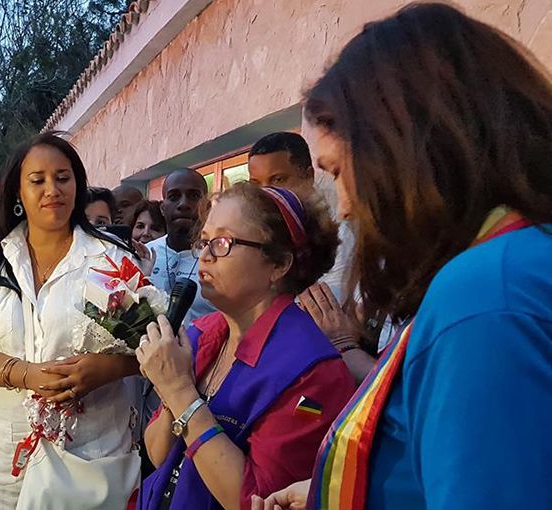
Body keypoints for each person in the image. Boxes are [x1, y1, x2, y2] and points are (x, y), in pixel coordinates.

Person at [262, 4, 552, 509]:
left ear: (398, 154)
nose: (346, 208)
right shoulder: (513, 263)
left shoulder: (483, 296)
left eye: (338, 171)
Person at [0, 132, 140, 509]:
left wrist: (107, 369)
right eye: (37, 180)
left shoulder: (104, 263)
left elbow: (151, 347)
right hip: (2, 467)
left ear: (77, 185)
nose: (52, 189)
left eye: (63, 178)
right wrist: (26, 374)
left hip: (86, 463)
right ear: (18, 192)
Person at [137, 183, 354, 510]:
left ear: (279, 264)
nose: (206, 256)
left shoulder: (312, 372)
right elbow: (156, 454)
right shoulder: (204, 333)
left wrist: (179, 391)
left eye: (223, 242)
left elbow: (258, 500)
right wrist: (170, 388)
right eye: (205, 241)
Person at [248, 132, 353, 304]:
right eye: (256, 184)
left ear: (309, 176)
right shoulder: (255, 225)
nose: (266, 193)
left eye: (278, 179)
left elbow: (326, 304)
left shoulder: (340, 229)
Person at [147, 168, 215, 324]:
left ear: (207, 207)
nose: (184, 204)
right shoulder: (146, 255)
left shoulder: (219, 257)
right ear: (163, 208)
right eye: (173, 196)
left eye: (194, 196)